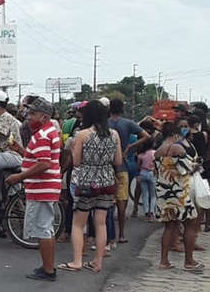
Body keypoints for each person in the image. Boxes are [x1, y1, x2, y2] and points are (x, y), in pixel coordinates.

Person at [56, 100, 121, 273]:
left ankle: (77, 261)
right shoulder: (114, 134)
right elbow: (118, 161)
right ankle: (97, 262)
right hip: (107, 181)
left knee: (78, 224)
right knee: (100, 223)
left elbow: (76, 162)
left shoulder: (82, 134)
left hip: (85, 181)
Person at [5, 97, 62, 281]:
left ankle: (48, 270)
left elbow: (43, 164)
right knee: (45, 229)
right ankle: (47, 267)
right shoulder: (47, 132)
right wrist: (21, 151)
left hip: (42, 188)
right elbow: (38, 159)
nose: (28, 117)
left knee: (42, 229)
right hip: (44, 187)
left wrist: (18, 177)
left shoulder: (43, 135)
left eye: (32, 113)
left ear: (44, 117)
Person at [155, 121, 202, 272]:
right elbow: (186, 170)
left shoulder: (158, 151)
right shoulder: (177, 148)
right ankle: (189, 261)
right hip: (179, 192)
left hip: (164, 193)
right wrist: (197, 166)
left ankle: (163, 261)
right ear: (175, 134)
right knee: (190, 224)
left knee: (169, 226)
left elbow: (156, 172)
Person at [108, 98, 150, 244]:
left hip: (106, 165)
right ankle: (121, 235)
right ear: (122, 109)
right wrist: (130, 147)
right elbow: (147, 136)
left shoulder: (104, 124)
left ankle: (106, 235)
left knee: (106, 201)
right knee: (122, 201)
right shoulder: (127, 123)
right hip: (122, 165)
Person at [136, 141, 157, 220]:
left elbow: (138, 166)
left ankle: (146, 212)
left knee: (145, 194)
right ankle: (152, 212)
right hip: (152, 173)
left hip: (143, 173)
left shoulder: (141, 155)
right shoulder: (155, 153)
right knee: (153, 195)